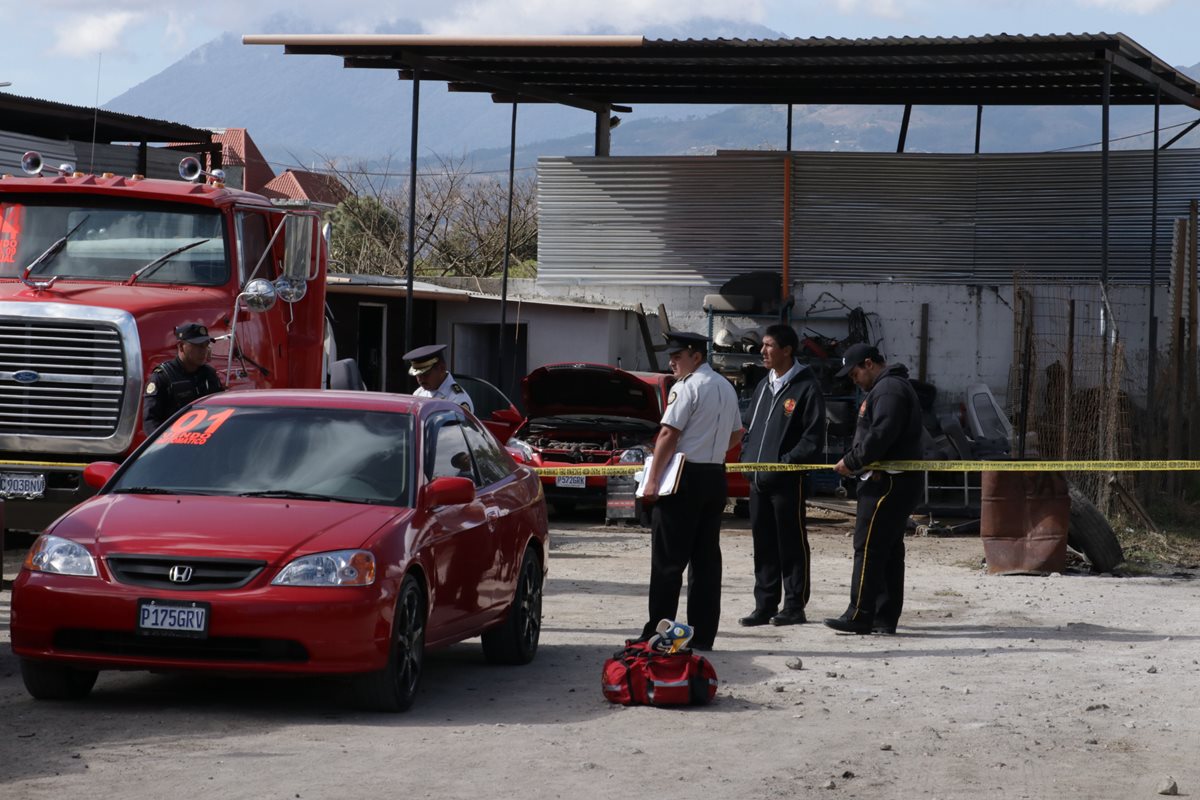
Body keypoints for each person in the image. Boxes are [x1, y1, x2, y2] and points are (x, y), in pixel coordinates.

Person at [639, 330, 743, 651]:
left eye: (678, 356)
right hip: (714, 476)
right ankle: (702, 635)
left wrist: (653, 480)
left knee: (668, 562)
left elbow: (668, 435)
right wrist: (709, 451)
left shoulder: (687, 387)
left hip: (683, 478)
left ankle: (659, 633)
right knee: (705, 561)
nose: (672, 362)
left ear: (696, 357)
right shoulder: (726, 387)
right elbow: (738, 434)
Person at [826, 343, 924, 635]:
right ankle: (883, 616)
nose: (853, 379)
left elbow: (882, 433)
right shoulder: (889, 388)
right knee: (888, 549)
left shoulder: (889, 390)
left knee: (867, 546)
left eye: (854, 372)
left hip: (886, 482)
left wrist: (852, 461)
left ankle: (859, 614)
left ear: (869, 363)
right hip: (896, 480)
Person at [737, 324, 826, 627]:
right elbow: (750, 431)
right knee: (763, 543)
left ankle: (794, 605)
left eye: (769, 345)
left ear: (787, 350)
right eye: (762, 345)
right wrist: (748, 461)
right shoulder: (764, 386)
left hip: (787, 481)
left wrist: (785, 463)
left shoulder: (806, 387)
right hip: (758, 481)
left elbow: (813, 438)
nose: (762, 351)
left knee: (791, 542)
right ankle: (764, 604)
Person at [143, 323, 224, 433]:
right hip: (174, 443)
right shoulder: (163, 376)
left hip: (203, 441)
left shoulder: (209, 374)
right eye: (198, 346)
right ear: (181, 346)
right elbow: (150, 422)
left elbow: (220, 412)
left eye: (206, 345)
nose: (203, 350)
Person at [403, 344, 473, 412]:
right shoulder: (418, 393)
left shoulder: (457, 399)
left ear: (442, 369)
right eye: (418, 374)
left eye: (426, 374)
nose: (420, 379)